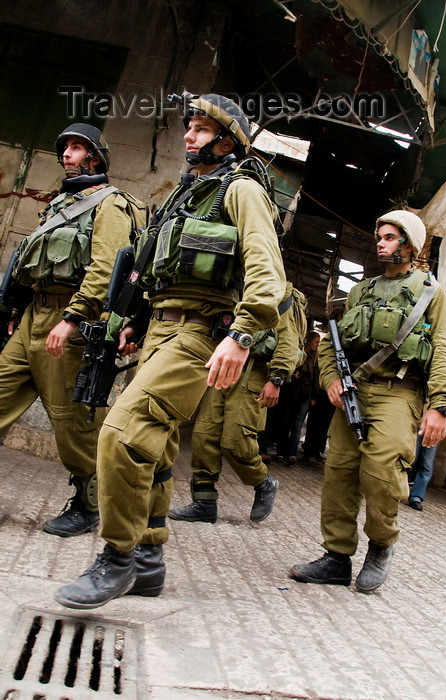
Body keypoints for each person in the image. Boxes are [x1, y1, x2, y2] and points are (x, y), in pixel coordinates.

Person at [54, 92, 286, 609]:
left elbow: (269, 278)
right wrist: (133, 322)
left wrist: (241, 336)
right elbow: (149, 271)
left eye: (202, 129)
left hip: (200, 333)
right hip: (160, 328)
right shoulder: (186, 196)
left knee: (120, 435)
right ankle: (147, 562)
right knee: (153, 447)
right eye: (189, 126)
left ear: (228, 141)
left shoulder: (241, 191)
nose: (189, 135)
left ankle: (116, 557)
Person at [290, 210, 446, 593]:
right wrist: (330, 378)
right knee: (340, 474)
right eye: (378, 237)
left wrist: (440, 404)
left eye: (388, 237)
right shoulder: (360, 291)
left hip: (399, 393)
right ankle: (336, 557)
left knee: (382, 474)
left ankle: (381, 547)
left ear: (408, 244)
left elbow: (444, 351)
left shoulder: (429, 292)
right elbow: (334, 344)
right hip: (353, 393)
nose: (379, 243)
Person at [0, 123, 144, 537]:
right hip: (33, 318)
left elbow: (104, 269)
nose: (67, 154)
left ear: (95, 158)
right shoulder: (60, 203)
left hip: (69, 322)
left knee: (71, 422)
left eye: (77, 148)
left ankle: (89, 503)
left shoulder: (110, 204)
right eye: (65, 147)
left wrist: (72, 318)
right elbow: (34, 263)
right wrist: (21, 306)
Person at [168, 281, 301, 525]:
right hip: (225, 367)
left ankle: (264, 482)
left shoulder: (280, 292)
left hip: (255, 372)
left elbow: (288, 340)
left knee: (236, 441)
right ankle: (204, 503)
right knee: (204, 435)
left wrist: (277, 378)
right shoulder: (234, 283)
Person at [275, 331, 319, 465]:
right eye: (316, 342)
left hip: (305, 394)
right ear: (309, 341)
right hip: (292, 392)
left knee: (297, 426)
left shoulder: (316, 359)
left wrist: (314, 396)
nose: (317, 345)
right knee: (285, 423)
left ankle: (292, 453)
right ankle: (281, 452)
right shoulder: (299, 354)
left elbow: (316, 379)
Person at [407, 432, 439, 511]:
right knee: (409, 459)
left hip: (434, 428)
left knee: (427, 464)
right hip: (417, 423)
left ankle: (416, 497)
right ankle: (396, 490)